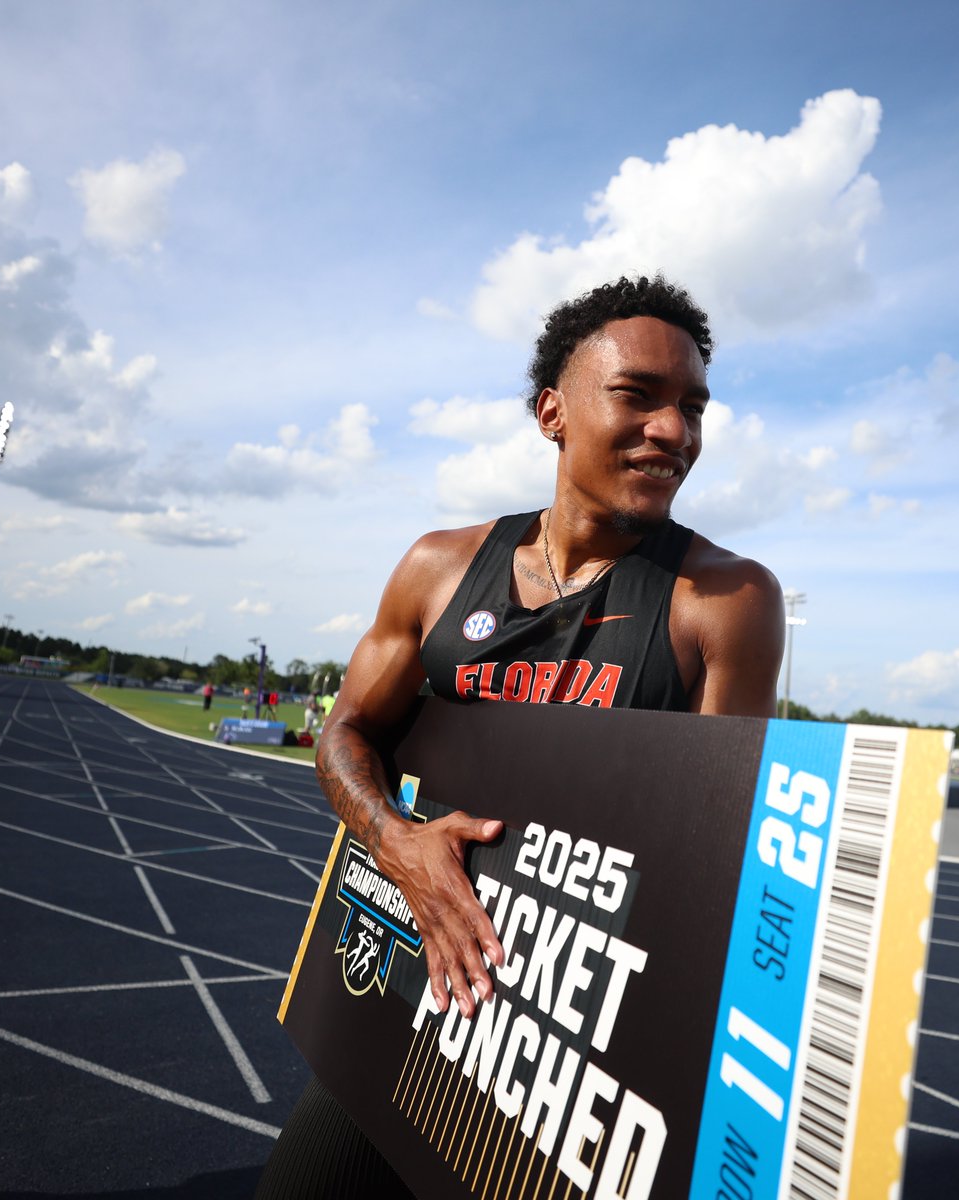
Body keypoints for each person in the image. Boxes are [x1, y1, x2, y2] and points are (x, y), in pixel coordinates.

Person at [255, 275, 785, 1197]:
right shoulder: (438, 567)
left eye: (694, 408)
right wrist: (398, 844)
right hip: (413, 989)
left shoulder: (726, 600)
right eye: (638, 395)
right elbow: (346, 732)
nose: (675, 430)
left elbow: (717, 862)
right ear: (552, 413)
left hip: (567, 1052)